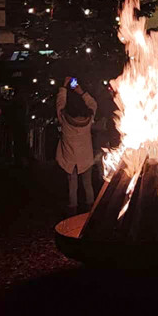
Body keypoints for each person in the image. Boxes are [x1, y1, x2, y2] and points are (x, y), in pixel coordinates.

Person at [56, 77, 98, 214]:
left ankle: (72, 210)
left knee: (72, 185)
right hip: (85, 158)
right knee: (88, 184)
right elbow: (93, 104)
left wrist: (63, 87)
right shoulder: (88, 119)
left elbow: (60, 104)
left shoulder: (64, 119)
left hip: (70, 159)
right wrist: (81, 92)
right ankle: (90, 210)